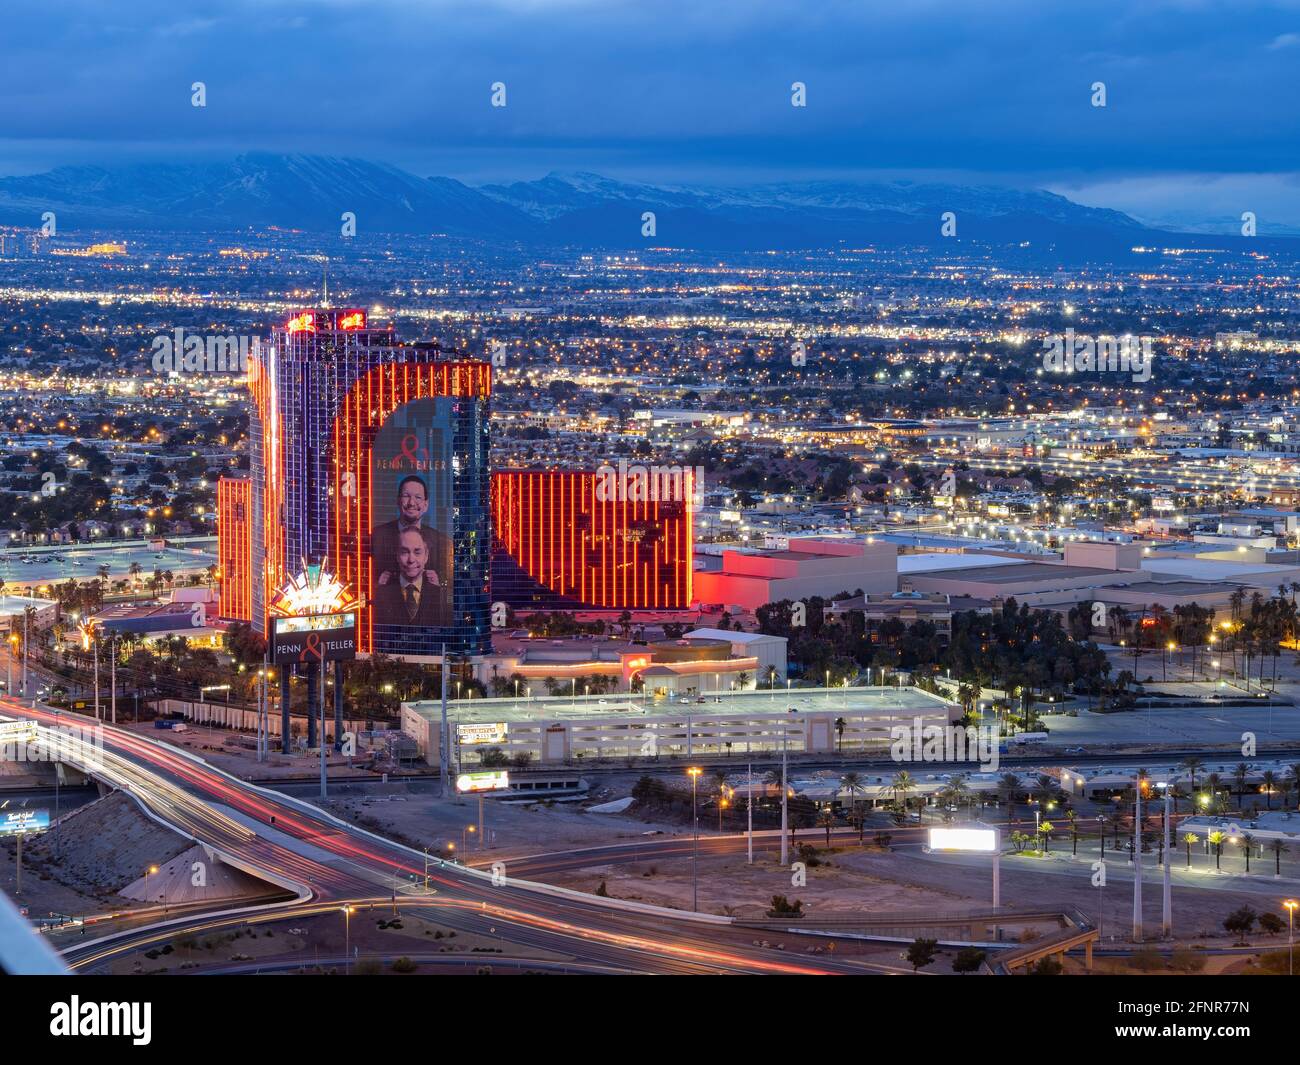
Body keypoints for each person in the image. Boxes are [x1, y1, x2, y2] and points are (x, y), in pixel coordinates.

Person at [371, 474, 451, 592]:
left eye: (418, 497)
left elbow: (451, 588)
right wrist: (376, 586)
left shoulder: (442, 542)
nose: (411, 503)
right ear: (398, 501)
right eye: (406, 496)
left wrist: (439, 587)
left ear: (426, 505)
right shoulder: (376, 536)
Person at [374, 528, 450, 627]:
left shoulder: (440, 595)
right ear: (397, 555)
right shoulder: (382, 594)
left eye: (417, 552)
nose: (411, 560)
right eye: (404, 552)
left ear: (426, 556)